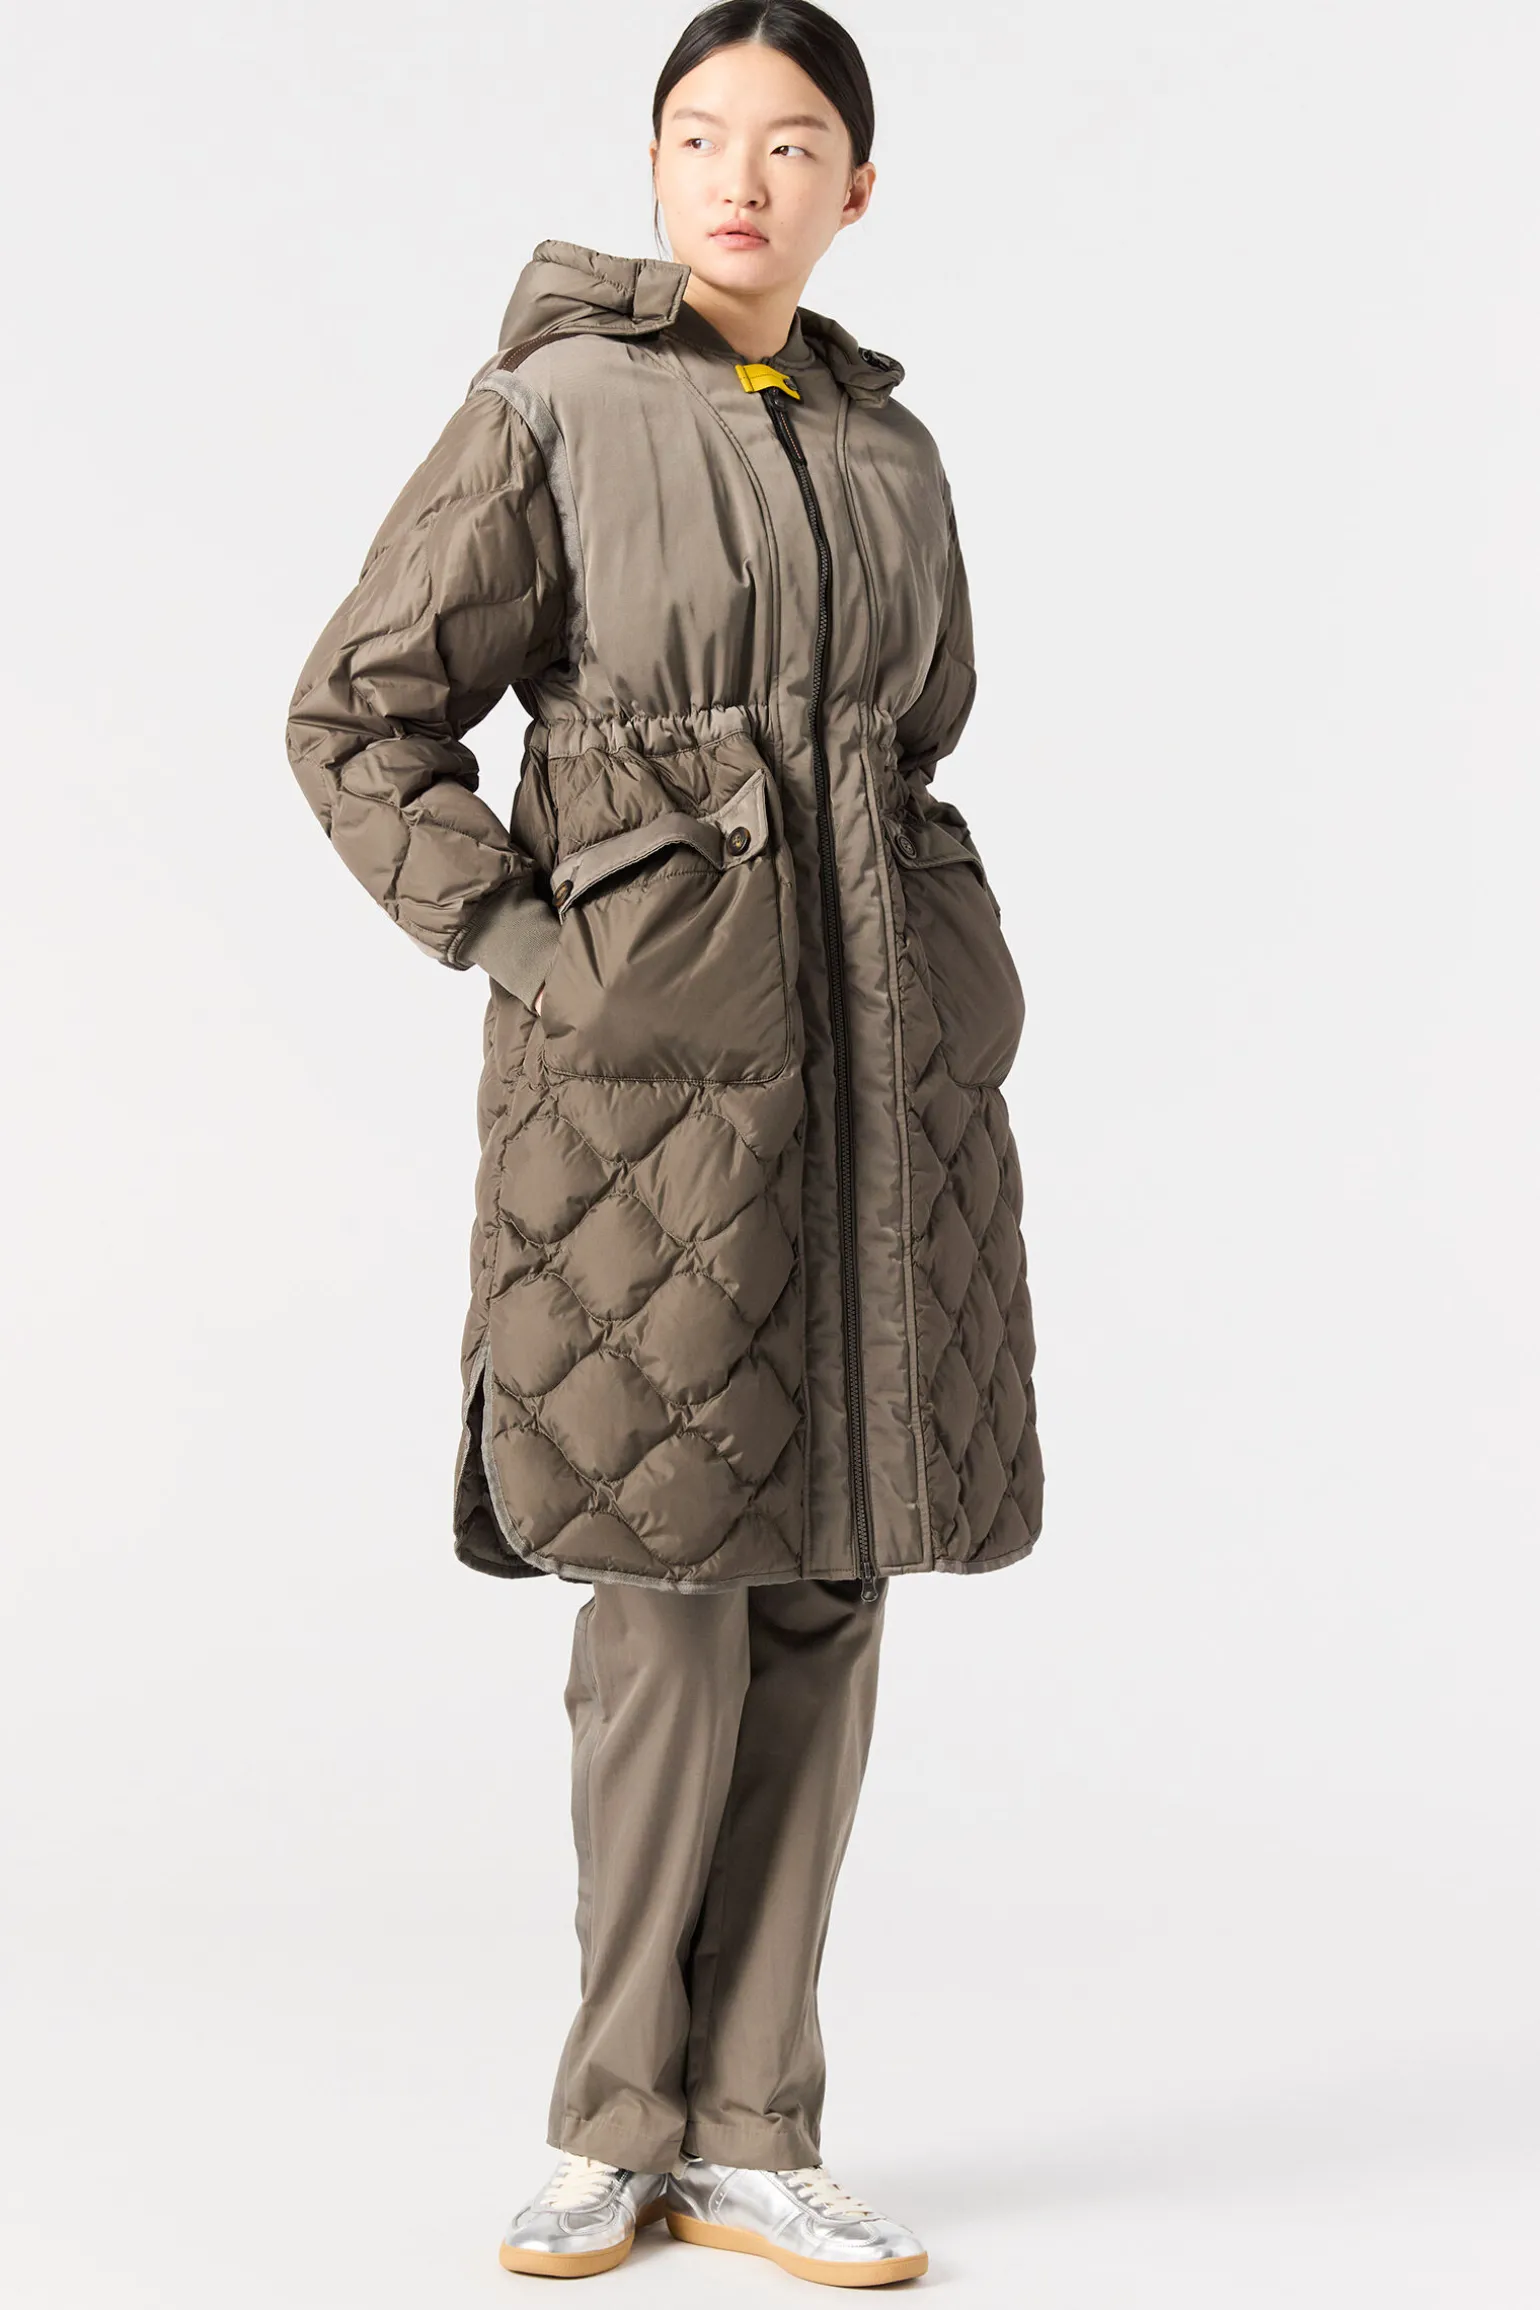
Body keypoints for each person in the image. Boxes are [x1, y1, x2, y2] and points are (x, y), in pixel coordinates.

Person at [284, 0, 1044, 2287]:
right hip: (643, 1108)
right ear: (650, 165)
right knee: (666, 1606)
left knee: (827, 1587)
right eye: (700, 134)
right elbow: (356, 717)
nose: (740, 176)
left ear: (851, 190)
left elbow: (907, 743)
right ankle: (612, 2122)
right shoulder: (550, 412)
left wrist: (961, 979)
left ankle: (757, 2128)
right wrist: (535, 950)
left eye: (790, 144)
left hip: (881, 1091)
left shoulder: (887, 450)